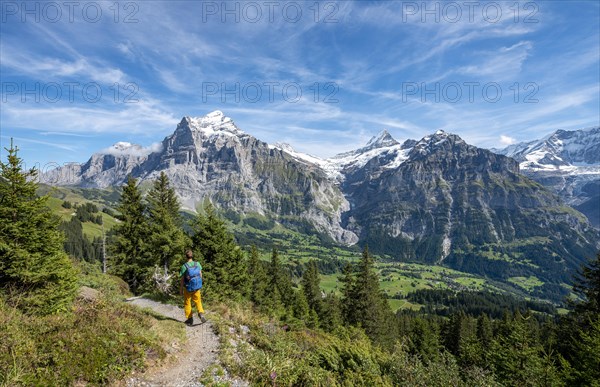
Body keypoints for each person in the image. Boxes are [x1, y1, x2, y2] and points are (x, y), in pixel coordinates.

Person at [179, 250, 207, 326]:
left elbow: (182, 280)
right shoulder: (197, 264)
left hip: (188, 288)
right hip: (197, 287)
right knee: (198, 301)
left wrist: (181, 289)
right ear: (192, 256)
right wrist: (199, 284)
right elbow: (200, 274)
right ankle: (201, 314)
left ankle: (190, 319)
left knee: (187, 302)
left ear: (186, 256)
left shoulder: (184, 266)